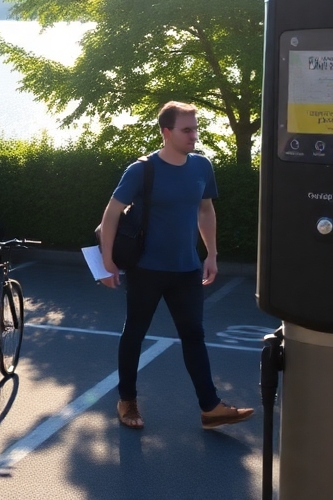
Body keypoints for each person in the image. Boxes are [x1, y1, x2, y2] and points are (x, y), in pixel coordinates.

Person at [97, 101, 254, 430]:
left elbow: (206, 210)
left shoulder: (201, 167)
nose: (194, 135)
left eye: (196, 128)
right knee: (135, 334)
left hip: (187, 270)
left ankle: (210, 408)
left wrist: (210, 254)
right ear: (166, 132)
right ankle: (127, 401)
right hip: (147, 270)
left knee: (194, 336)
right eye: (187, 130)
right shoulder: (142, 169)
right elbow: (111, 214)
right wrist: (107, 260)